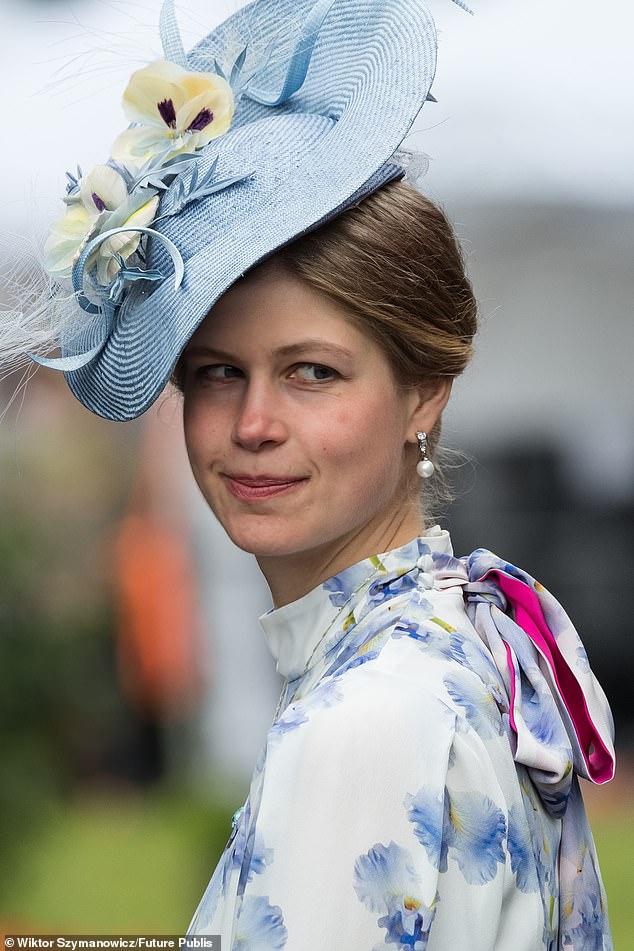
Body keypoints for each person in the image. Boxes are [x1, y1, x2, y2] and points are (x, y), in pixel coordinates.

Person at [3, 0, 615, 948]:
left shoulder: (360, 724)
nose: (253, 424)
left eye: (312, 372)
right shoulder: (468, 639)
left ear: (426, 392)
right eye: (217, 373)